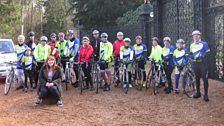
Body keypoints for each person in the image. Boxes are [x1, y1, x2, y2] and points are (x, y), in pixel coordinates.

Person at [190, 30, 210, 101]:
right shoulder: (192, 44)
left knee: (205, 79)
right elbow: (191, 53)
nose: (196, 37)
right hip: (195, 64)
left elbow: (208, 53)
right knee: (197, 78)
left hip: (203, 64)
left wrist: (202, 57)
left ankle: (206, 95)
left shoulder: (204, 43)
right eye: (194, 36)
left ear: (200, 36)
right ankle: (198, 93)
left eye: (197, 35)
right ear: (193, 37)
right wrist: (191, 56)